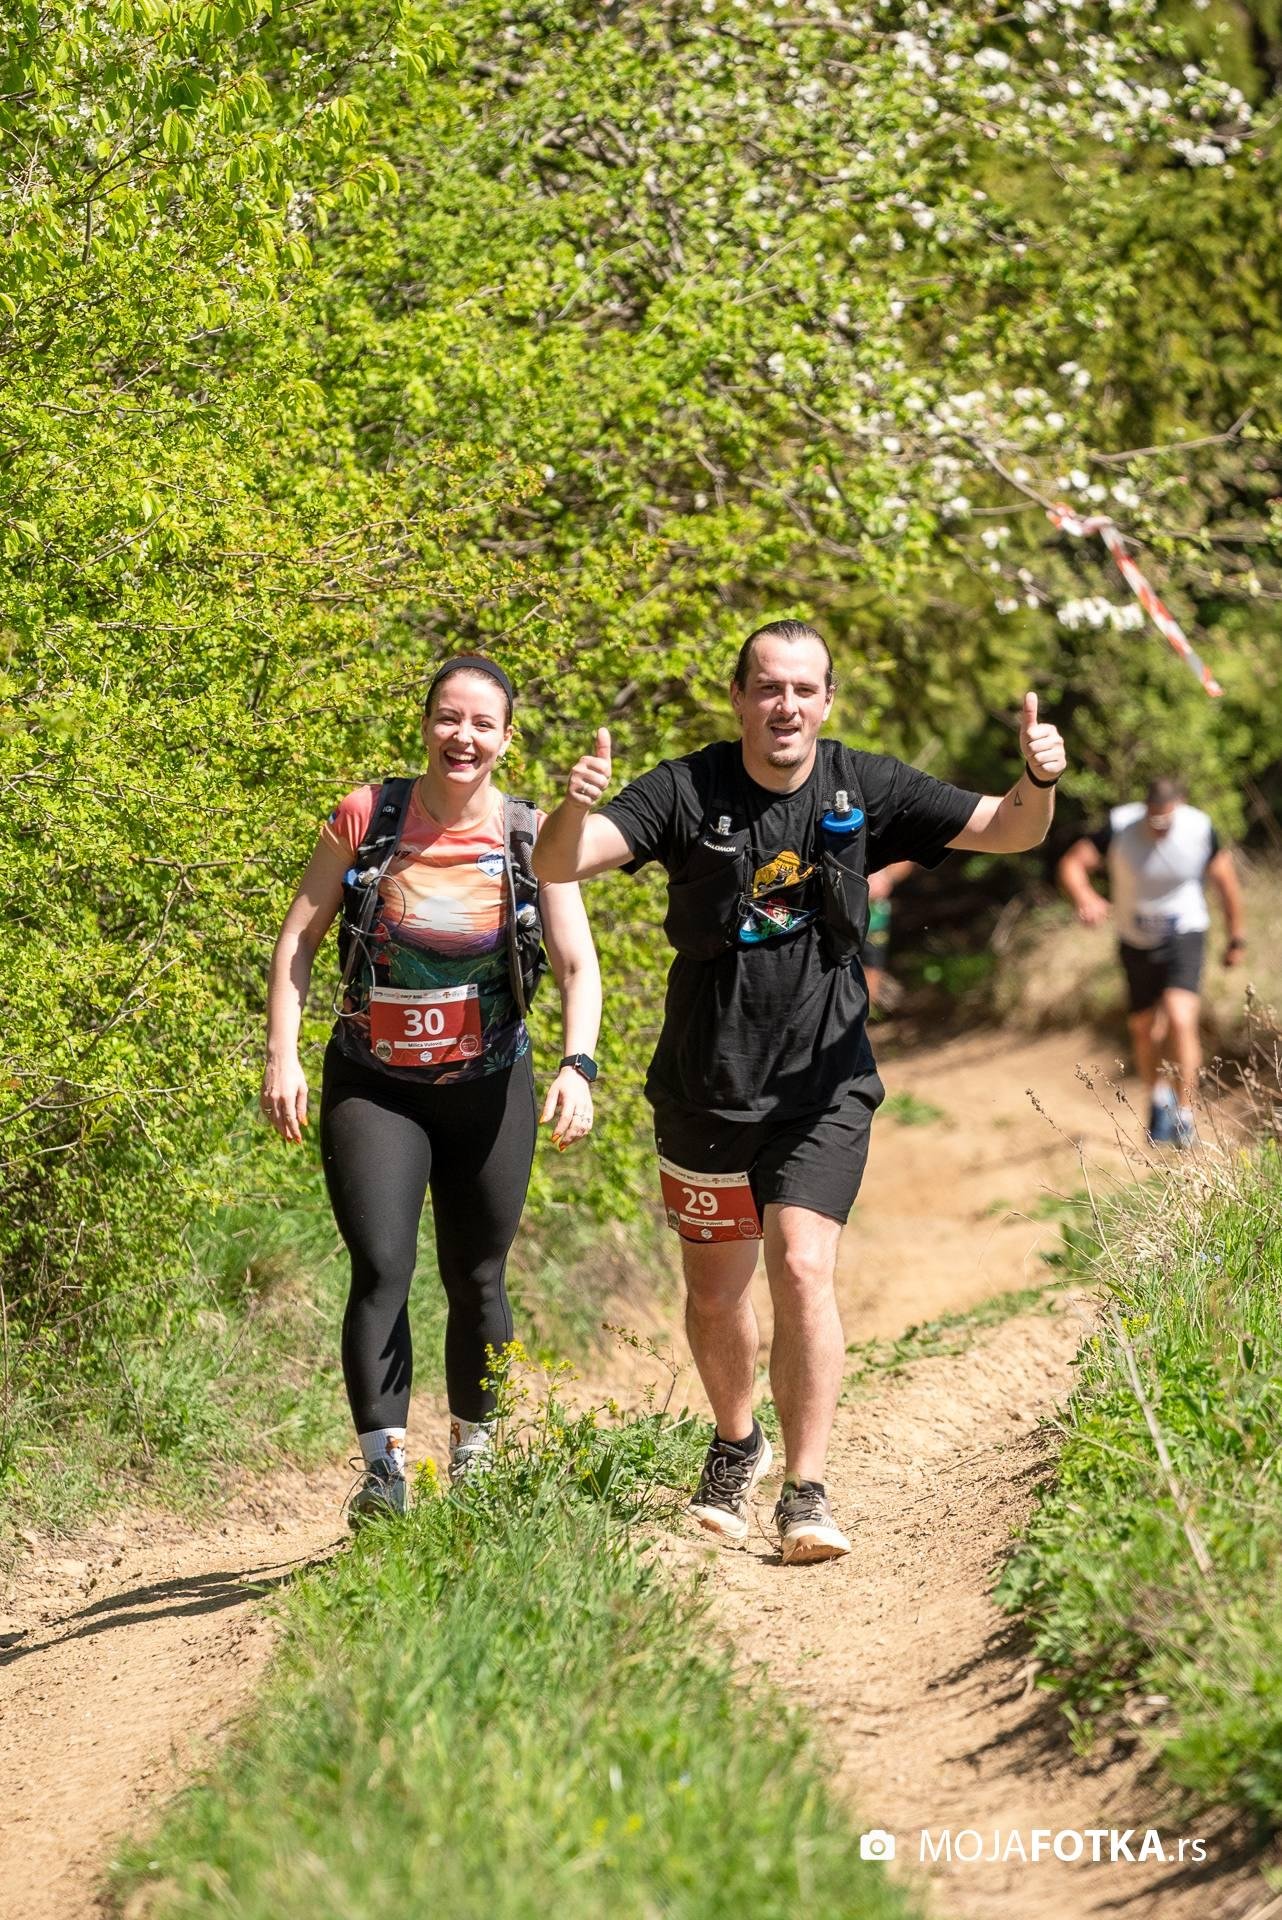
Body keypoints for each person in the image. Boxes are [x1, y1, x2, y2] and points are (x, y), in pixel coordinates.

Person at [532, 619, 1066, 1564]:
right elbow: (560, 863)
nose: (786, 705)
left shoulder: (866, 786)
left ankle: (806, 1490)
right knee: (715, 1296)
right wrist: (573, 808)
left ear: (826, 701)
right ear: (739, 698)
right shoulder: (687, 789)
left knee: (803, 1265)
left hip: (825, 1084)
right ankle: (737, 1442)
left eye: (803, 689)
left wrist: (1040, 776)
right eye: (769, 687)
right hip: (705, 1087)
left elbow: (1013, 828)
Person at [262, 656, 601, 1523]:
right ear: (425, 725)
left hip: (489, 1086)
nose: (464, 737)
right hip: (374, 1085)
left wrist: (579, 1065)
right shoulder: (368, 816)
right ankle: (384, 1475)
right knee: (381, 1266)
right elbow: (299, 940)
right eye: (449, 718)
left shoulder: (530, 837)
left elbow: (576, 965)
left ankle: (476, 1463)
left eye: (483, 724)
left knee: (478, 1277)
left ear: (506, 739)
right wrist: (282, 1056)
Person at [1056, 777, 1245, 1147]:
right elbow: (1072, 863)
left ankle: (1185, 1115)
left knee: (1179, 1017)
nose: (1159, 828)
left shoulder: (1200, 828)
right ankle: (1159, 1100)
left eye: (1166, 821)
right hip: (1135, 940)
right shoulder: (1119, 826)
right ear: (1144, 809)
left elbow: (1226, 882)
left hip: (1185, 934)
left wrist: (1236, 937)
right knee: (1144, 1029)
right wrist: (1084, 896)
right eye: (1153, 820)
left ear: (1180, 808)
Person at [863, 860, 914, 1011]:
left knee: (871, 970)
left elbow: (908, 860)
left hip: (874, 918)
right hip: (833, 914)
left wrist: (885, 878)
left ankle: (860, 1018)